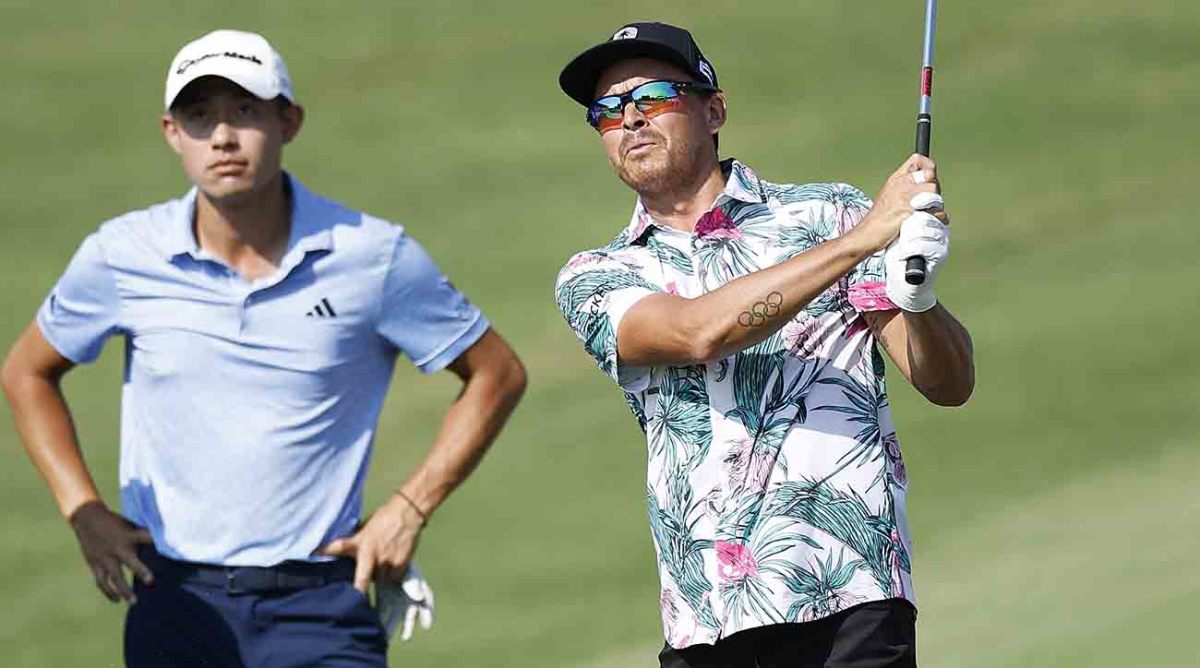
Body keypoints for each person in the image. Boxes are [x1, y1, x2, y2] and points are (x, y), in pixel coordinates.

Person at [2, 29, 526, 667]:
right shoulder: (121, 255)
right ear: (172, 133)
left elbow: (495, 373)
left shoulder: (372, 256)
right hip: (175, 602)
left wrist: (410, 508)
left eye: (245, 112)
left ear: (289, 121)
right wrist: (82, 510)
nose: (222, 137)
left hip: (322, 606)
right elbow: (27, 371)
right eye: (200, 118)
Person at [554, 22, 973, 668]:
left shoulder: (828, 214)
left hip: (853, 598)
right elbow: (697, 334)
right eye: (607, 111)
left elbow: (948, 384)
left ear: (714, 109)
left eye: (655, 96)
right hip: (707, 623)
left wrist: (919, 300)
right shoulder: (596, 275)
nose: (630, 118)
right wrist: (863, 241)